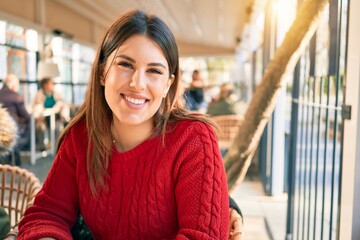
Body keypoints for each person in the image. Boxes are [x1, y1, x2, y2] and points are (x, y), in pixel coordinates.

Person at [18, 9, 230, 239]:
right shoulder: (81, 137)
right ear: (102, 73)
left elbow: (202, 235)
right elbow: (47, 213)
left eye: (154, 71)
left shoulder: (193, 140)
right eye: (125, 65)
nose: (137, 83)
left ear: (168, 84)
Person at [0, 74, 31, 166]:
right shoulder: (16, 97)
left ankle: (9, 157)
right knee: (28, 125)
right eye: (18, 85)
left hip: (2, 130)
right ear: (13, 85)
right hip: (12, 131)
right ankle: (17, 162)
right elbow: (26, 115)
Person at [32, 77, 70, 150]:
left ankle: (57, 147)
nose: (52, 85)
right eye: (50, 84)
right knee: (39, 127)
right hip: (43, 118)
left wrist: (59, 109)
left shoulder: (56, 93)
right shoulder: (38, 94)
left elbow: (63, 104)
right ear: (45, 85)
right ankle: (42, 147)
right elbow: (35, 107)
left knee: (58, 128)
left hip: (56, 117)